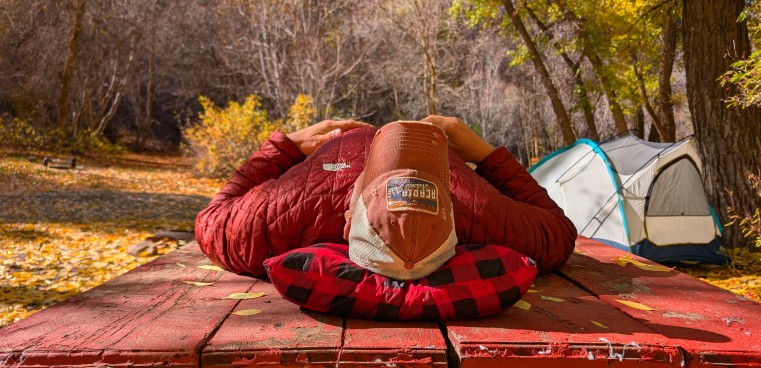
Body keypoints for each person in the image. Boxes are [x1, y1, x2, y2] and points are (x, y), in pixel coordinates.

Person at [195, 115, 577, 278]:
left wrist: (289, 144)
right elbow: (559, 230)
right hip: (439, 153)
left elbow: (211, 219)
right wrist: (482, 152)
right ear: (454, 228)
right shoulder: (483, 214)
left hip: (345, 149)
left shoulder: (286, 212)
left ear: (347, 220)